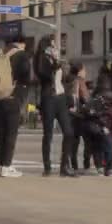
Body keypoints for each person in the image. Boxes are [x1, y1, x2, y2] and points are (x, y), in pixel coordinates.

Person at [34, 35, 77, 177]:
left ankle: (64, 166)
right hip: (49, 98)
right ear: (45, 47)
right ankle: (47, 166)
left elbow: (64, 79)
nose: (54, 48)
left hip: (61, 98)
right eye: (51, 45)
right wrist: (55, 62)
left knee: (69, 132)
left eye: (54, 46)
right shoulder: (41, 60)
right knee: (48, 134)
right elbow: (44, 75)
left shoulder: (56, 60)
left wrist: (69, 70)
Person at [0, 36, 31, 178]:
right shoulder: (21, 56)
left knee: (1, 133)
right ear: (21, 44)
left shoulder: (2, 54)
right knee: (11, 133)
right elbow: (26, 74)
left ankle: (0, 164)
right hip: (14, 96)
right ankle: (7, 166)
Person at [67, 63, 98, 174]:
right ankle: (85, 164)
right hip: (79, 116)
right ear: (79, 71)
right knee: (86, 141)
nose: (85, 72)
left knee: (73, 142)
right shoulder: (79, 81)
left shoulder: (69, 80)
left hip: (70, 114)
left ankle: (72, 165)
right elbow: (84, 98)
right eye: (84, 70)